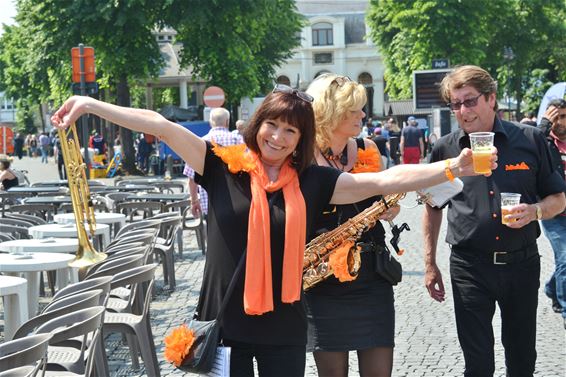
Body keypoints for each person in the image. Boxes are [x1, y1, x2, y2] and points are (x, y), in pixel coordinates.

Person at [51, 90, 495, 377]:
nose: (278, 138)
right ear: (257, 123)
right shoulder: (220, 166)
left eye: (291, 131)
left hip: (284, 324)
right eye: (272, 125)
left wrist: (452, 167)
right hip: (225, 322)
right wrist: (90, 105)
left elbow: (384, 181)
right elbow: (159, 124)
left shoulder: (312, 181)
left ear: (300, 139)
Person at [423, 65, 566, 377]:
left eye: (470, 101)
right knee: (477, 364)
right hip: (469, 266)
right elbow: (433, 206)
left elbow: (559, 198)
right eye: (456, 104)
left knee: (522, 357)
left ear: (491, 99)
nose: (463, 110)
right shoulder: (445, 148)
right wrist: (430, 263)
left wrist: (535, 212)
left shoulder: (529, 140)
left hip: (521, 263)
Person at [305, 74, 398, 377]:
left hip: (372, 276)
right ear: (330, 112)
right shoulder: (302, 158)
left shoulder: (368, 148)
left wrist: (390, 208)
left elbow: (384, 200)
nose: (362, 115)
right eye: (354, 109)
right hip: (324, 282)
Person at [184, 107, 243, 219]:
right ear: (227, 122)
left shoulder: (200, 143)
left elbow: (192, 178)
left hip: (210, 205)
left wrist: (194, 201)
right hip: (238, 202)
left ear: (211, 122)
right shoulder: (238, 140)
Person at [539, 98, 566, 325]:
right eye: (555, 117)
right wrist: (544, 124)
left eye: (564, 117)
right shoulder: (544, 142)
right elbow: (530, 145)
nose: (560, 122)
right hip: (553, 213)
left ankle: (552, 287)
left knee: (564, 262)